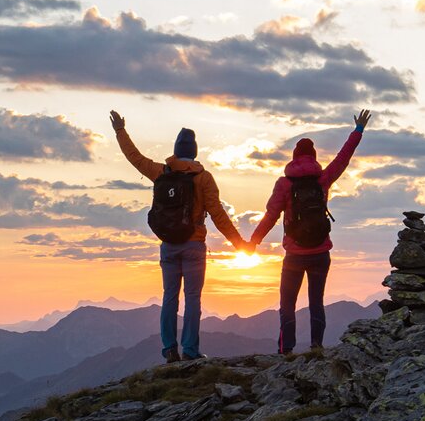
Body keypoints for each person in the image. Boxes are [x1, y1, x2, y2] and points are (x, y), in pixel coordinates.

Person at [110, 111, 246, 363]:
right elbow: (218, 215)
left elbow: (135, 158)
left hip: (169, 245)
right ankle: (191, 351)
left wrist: (120, 131)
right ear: (194, 151)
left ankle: (169, 350)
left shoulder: (162, 173)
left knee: (169, 296)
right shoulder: (203, 178)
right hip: (194, 244)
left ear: (175, 149)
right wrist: (240, 245)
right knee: (193, 298)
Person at [249, 110, 370, 354]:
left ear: (294, 159)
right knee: (316, 302)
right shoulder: (322, 179)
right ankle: (316, 346)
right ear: (313, 158)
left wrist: (253, 241)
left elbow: (271, 215)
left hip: (294, 254)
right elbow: (343, 158)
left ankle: (287, 350)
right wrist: (357, 131)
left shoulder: (284, 184)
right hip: (320, 252)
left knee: (287, 304)